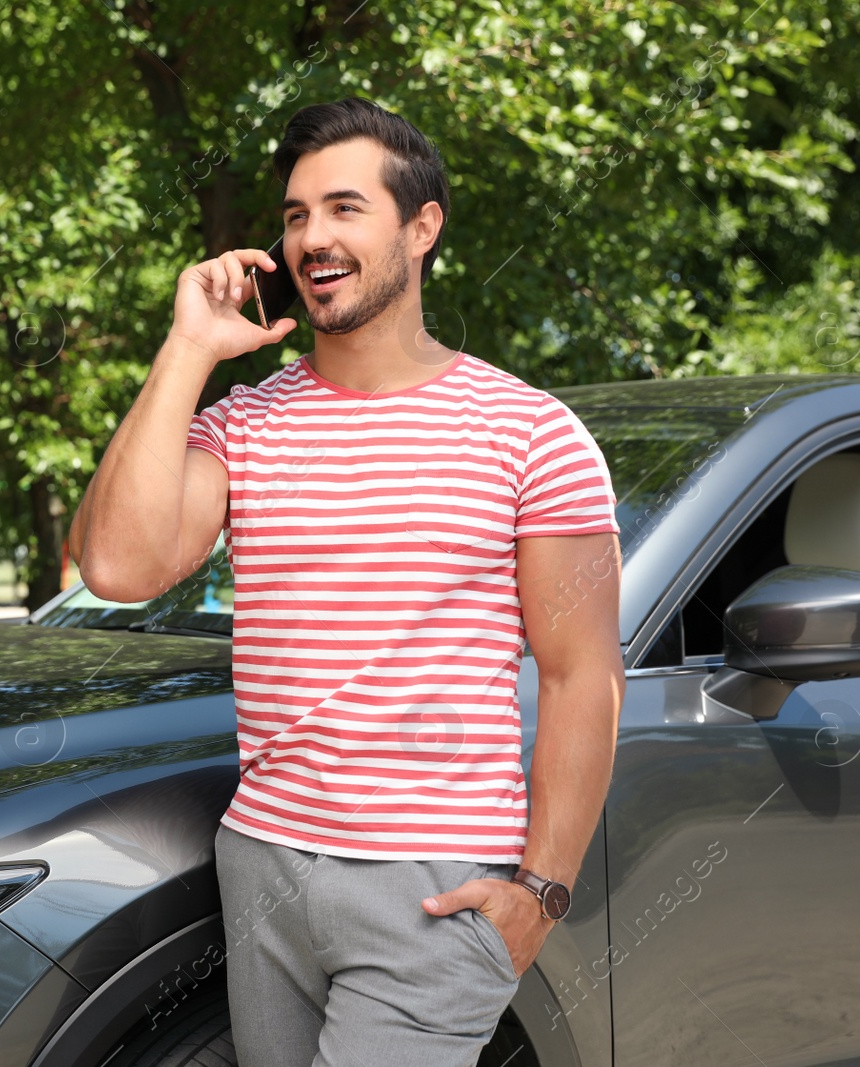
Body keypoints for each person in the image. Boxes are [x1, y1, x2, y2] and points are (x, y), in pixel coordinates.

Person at [69, 96, 624, 1067]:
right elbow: (116, 562)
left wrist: (539, 892)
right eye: (293, 216)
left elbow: (584, 675)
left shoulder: (531, 434)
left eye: (342, 208)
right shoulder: (244, 424)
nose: (311, 238)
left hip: (431, 888)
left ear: (421, 226)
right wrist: (188, 347)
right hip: (262, 862)